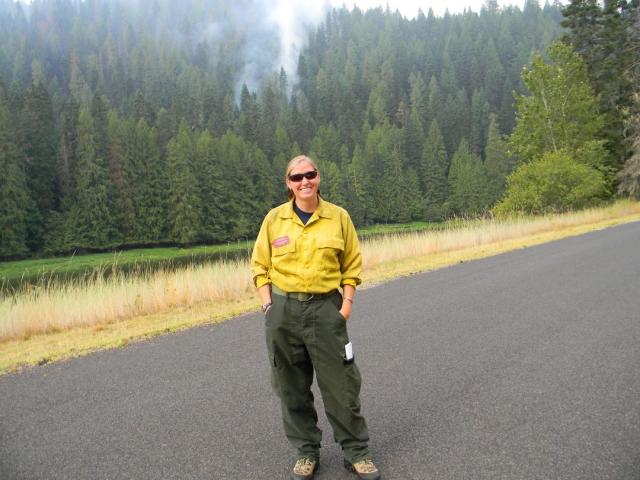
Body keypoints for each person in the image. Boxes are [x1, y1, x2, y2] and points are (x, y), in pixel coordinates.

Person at [251, 155, 381, 480]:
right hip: (283, 312)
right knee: (290, 386)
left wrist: (346, 305)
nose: (304, 181)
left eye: (310, 175)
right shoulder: (274, 220)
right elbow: (260, 268)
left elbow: (351, 266)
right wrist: (269, 307)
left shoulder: (338, 218)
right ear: (288, 183)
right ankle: (307, 452)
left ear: (318, 177)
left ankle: (357, 452)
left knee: (342, 385)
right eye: (297, 177)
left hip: (326, 309)